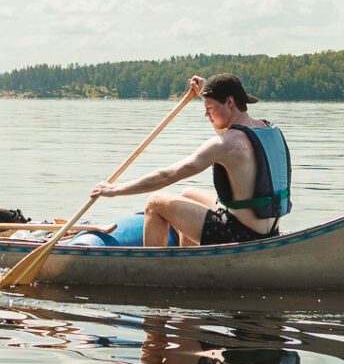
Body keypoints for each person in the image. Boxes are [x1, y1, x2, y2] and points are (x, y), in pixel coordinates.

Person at [88, 73, 291, 247]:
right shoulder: (266, 128)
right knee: (188, 193)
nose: (206, 114)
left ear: (229, 102)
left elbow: (167, 176)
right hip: (267, 229)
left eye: (209, 108)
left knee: (155, 202)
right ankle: (190, 259)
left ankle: (156, 270)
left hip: (239, 234)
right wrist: (204, 92)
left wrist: (115, 190)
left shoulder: (228, 143)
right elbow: (228, 131)